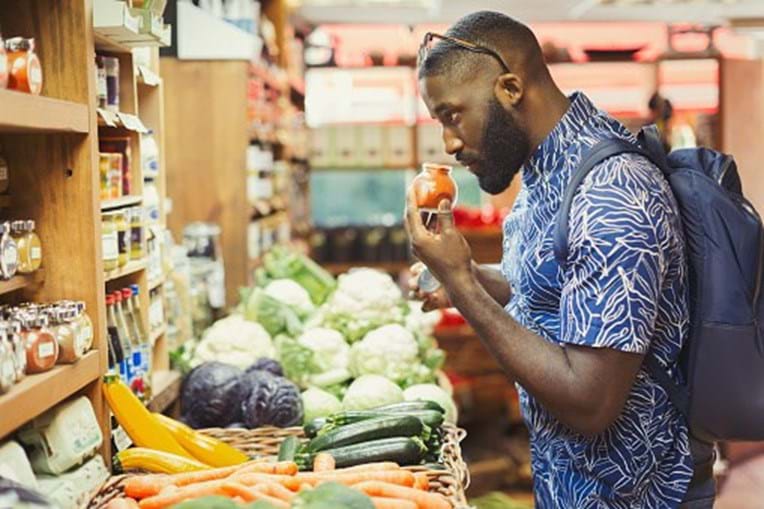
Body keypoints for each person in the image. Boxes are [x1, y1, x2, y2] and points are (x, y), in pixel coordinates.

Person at [407, 11, 715, 509]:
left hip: (633, 497)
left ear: (509, 88)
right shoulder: (548, 171)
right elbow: (549, 291)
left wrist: (460, 280)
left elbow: (590, 403)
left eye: (452, 115)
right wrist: (475, 281)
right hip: (571, 485)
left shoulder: (611, 193)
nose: (450, 143)